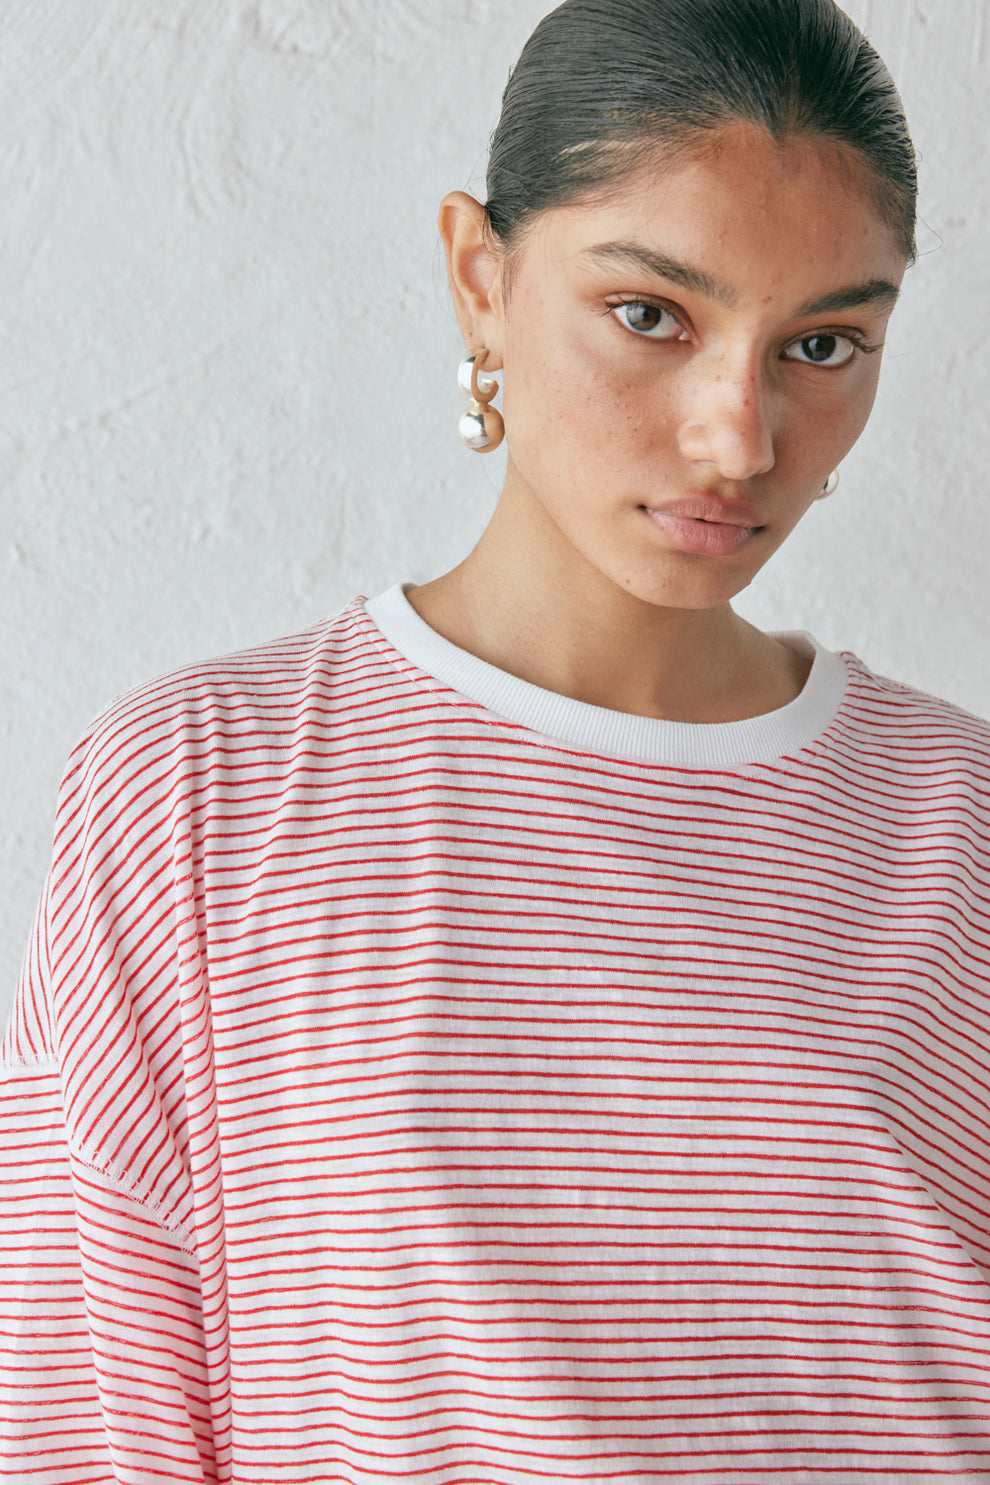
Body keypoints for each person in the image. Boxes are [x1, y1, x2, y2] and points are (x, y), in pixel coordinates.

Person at [2, 0, 989, 1479]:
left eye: (823, 344)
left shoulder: (960, 818)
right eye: (650, 314)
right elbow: (88, 1413)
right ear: (482, 278)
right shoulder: (204, 787)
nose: (739, 436)